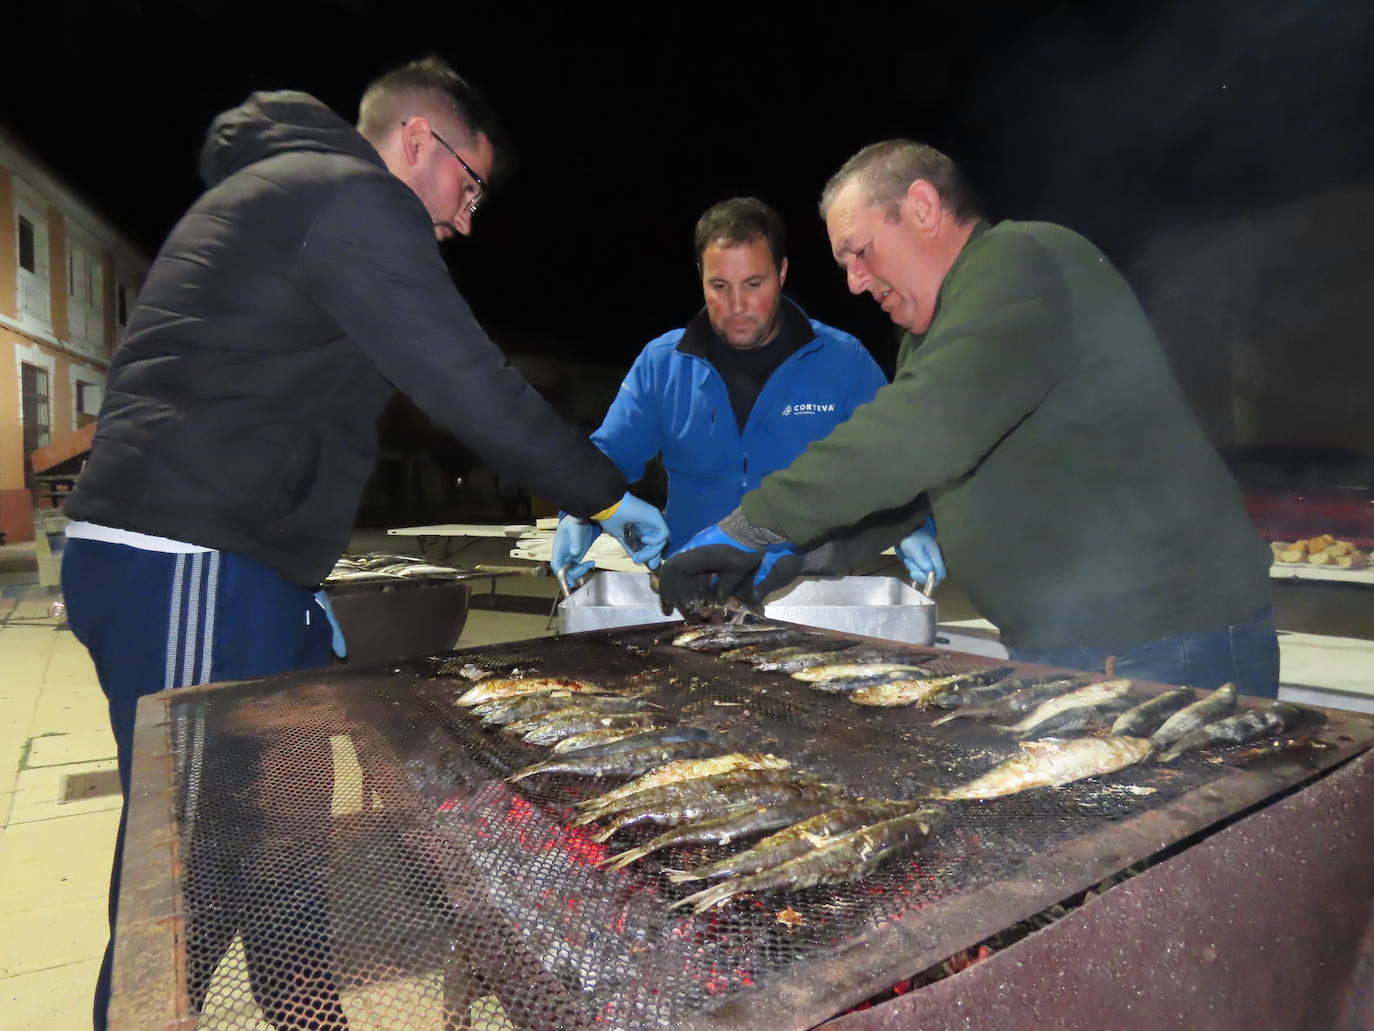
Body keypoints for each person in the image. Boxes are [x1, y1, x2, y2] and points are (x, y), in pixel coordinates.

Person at [60, 56, 666, 1029]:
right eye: (470, 184)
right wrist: (604, 495)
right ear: (417, 142)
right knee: (190, 874)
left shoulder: (306, 204)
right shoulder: (349, 197)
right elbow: (469, 381)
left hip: (255, 568)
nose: (469, 218)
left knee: (290, 834)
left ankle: (306, 1014)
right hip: (184, 553)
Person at [658, 140, 1278, 698]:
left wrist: (751, 525)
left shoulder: (1021, 262)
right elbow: (913, 494)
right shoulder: (928, 336)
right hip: (1069, 647)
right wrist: (804, 555)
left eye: (860, 253)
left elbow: (918, 432)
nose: (853, 282)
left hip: (1163, 641)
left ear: (923, 207)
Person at [551, 197, 941, 587]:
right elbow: (610, 456)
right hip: (693, 590)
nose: (737, 305)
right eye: (719, 286)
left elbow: (892, 463)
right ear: (701, 277)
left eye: (754, 284)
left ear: (782, 273)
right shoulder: (661, 365)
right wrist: (581, 513)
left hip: (812, 588)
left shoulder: (843, 360)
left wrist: (914, 525)